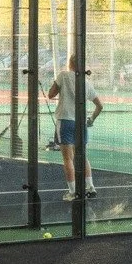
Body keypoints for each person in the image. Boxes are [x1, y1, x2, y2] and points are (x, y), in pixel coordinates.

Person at [45, 55, 102, 201]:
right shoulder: (86, 82)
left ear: (70, 63)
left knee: (67, 158)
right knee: (82, 156)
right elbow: (99, 106)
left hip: (65, 121)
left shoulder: (63, 76)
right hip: (81, 123)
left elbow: (50, 94)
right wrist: (91, 119)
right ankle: (90, 187)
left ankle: (73, 191)